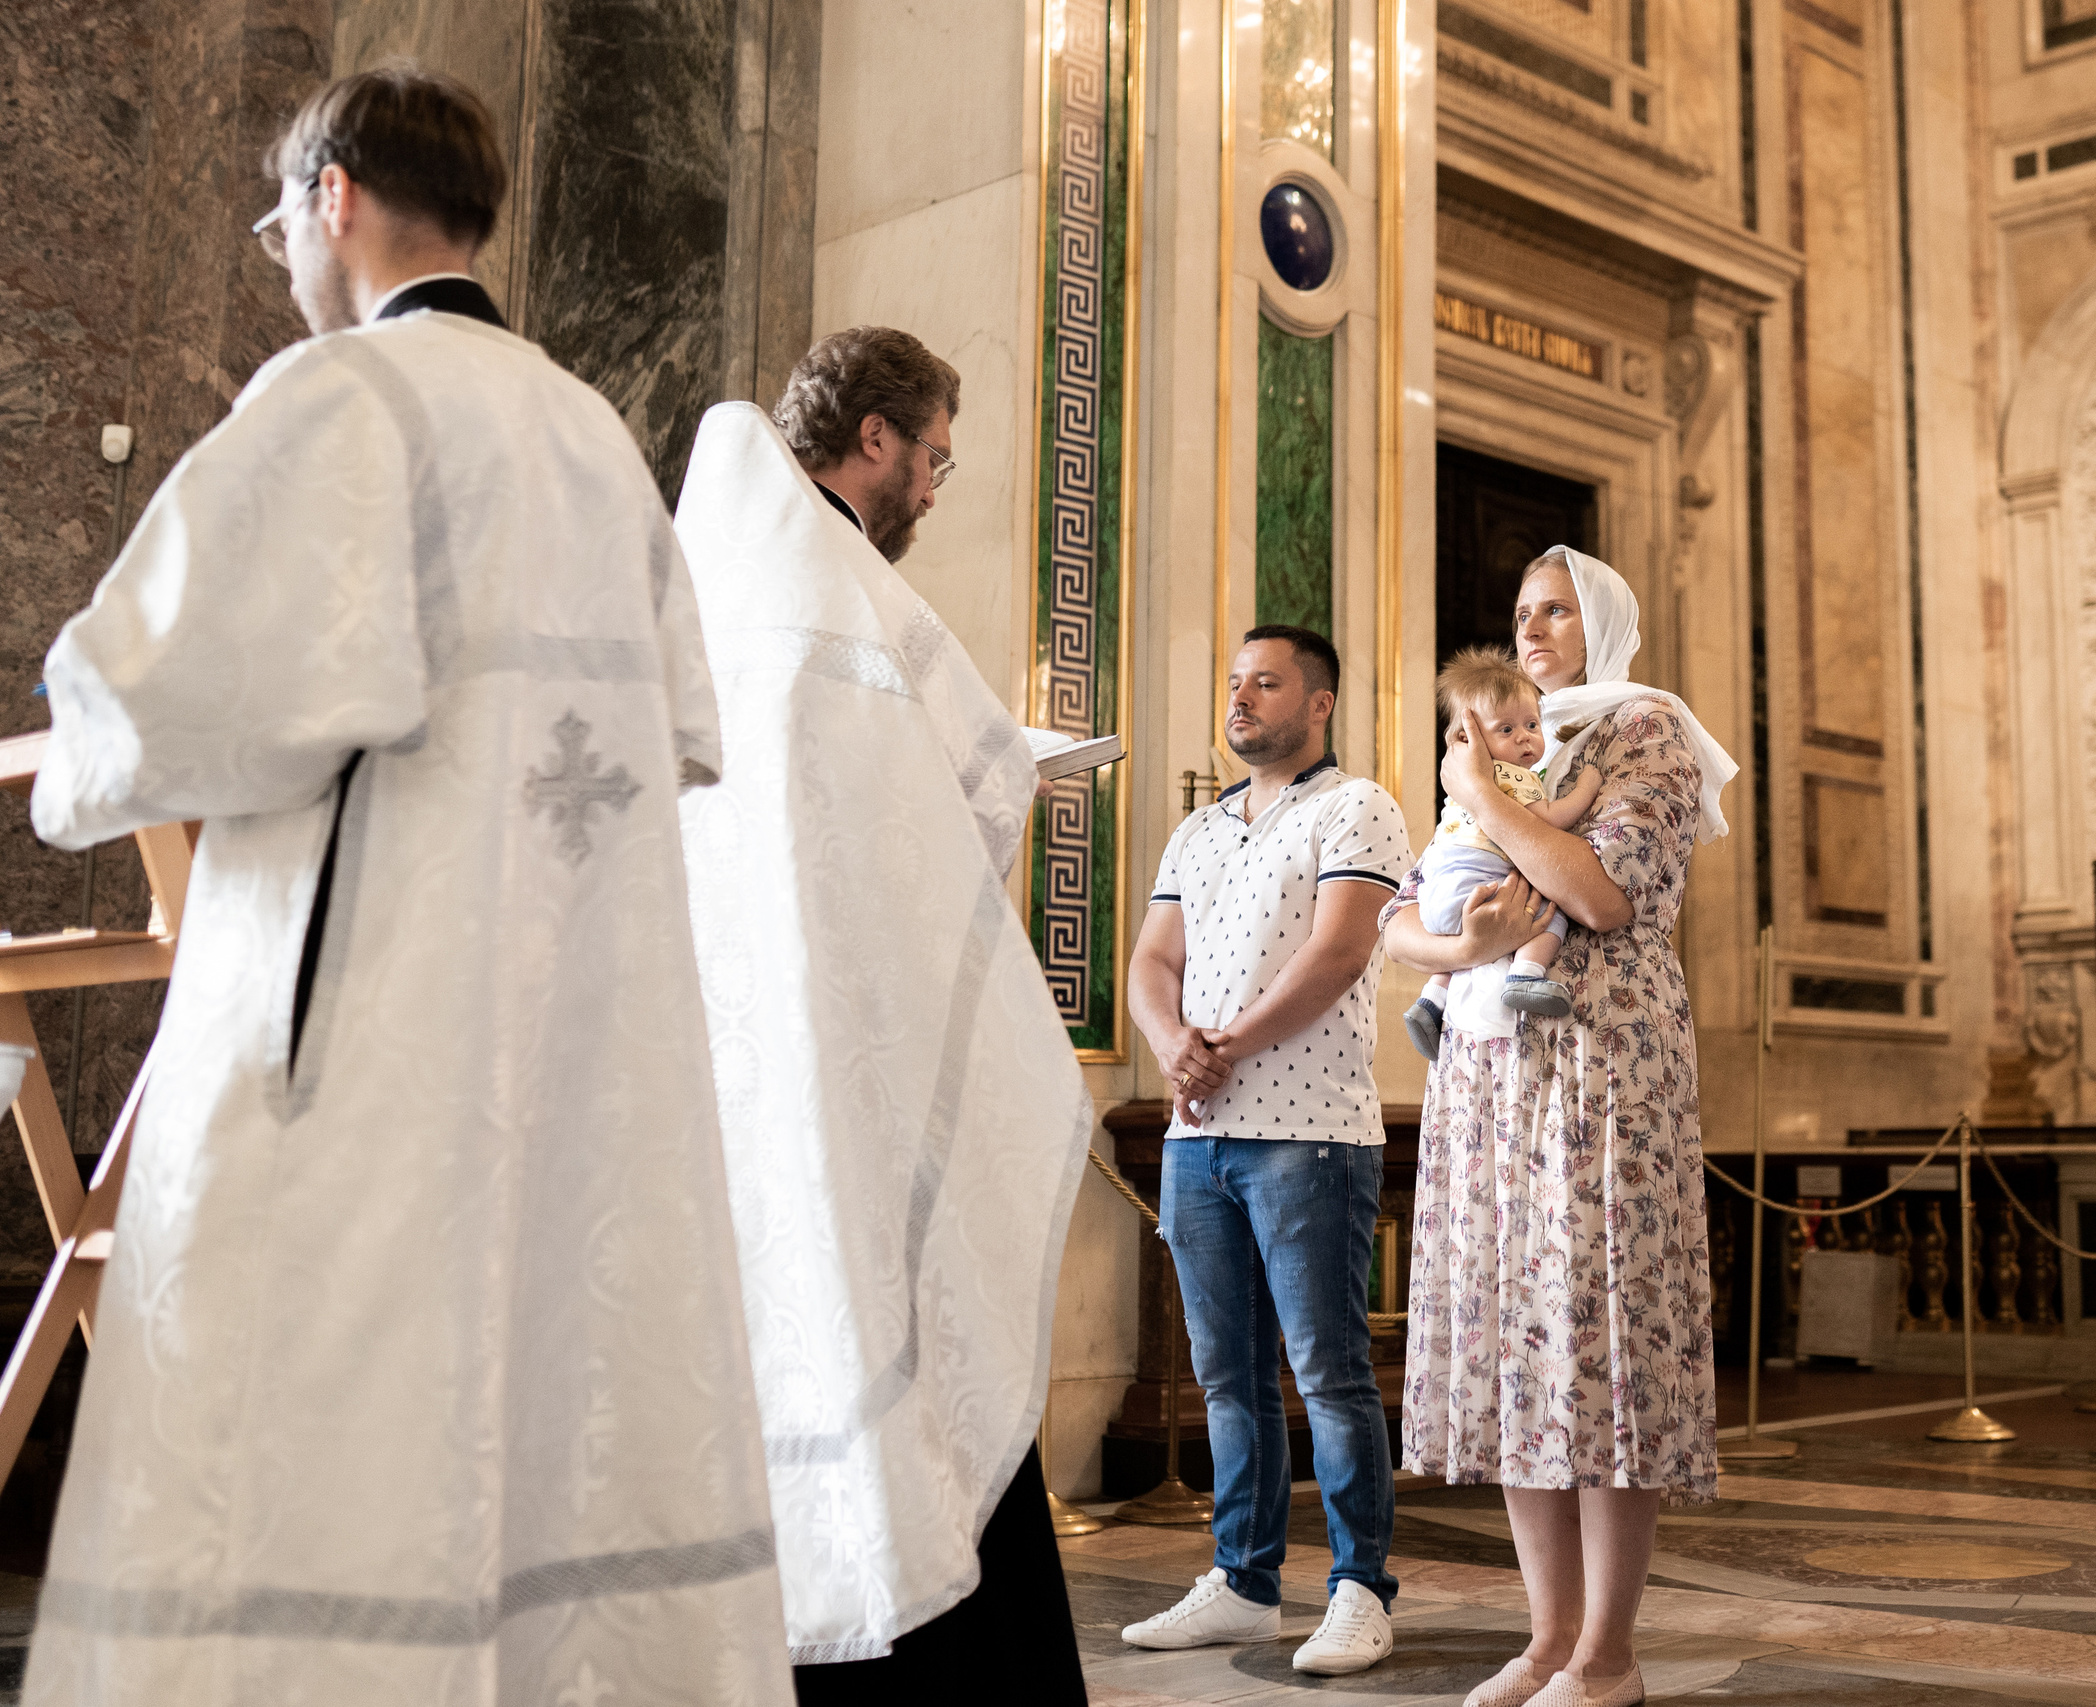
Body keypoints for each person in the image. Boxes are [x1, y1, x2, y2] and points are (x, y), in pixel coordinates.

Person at [22, 69, 792, 1705]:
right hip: (568, 1039)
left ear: (337, 196)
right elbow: (683, 737)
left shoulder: (338, 401)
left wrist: (80, 732)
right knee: (537, 1390)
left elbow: (156, 694)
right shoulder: (592, 431)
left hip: (370, 1044)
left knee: (332, 1406)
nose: (284, 252)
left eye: (280, 215)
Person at [671, 333, 1093, 1699]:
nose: (933, 489)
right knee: (894, 1326)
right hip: (848, 1036)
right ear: (875, 438)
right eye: (936, 459)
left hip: (718, 1047)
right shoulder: (840, 582)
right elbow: (973, 791)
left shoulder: (717, 571)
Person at [1380, 546, 1736, 1707]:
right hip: (1486, 1070)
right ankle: (1544, 1639)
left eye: (1557, 611)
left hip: (1600, 1073)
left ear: (1605, 623)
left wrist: (1482, 797)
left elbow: (1605, 894)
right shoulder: (1498, 730)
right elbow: (1400, 917)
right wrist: (1460, 950)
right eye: (1522, 612)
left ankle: (1608, 1655)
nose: (1532, 630)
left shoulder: (1644, 730)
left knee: (1600, 1347)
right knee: (1521, 1351)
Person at [1121, 625, 1411, 1676]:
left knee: (1329, 1372)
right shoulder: (1198, 829)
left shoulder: (1357, 807)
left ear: (1319, 702)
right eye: (1234, 682)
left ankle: (1358, 1589)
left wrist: (1225, 1045)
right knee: (1225, 1376)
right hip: (1199, 1140)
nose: (1242, 699)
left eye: (1266, 683)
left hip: (1309, 1136)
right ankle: (1243, 1582)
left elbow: (1339, 950)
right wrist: (1170, 1045)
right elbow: (1152, 959)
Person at [1402, 646, 1604, 1057]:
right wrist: (1587, 785)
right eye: (1506, 730)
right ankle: (1527, 976)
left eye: (1532, 724)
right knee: (1550, 908)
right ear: (1470, 738)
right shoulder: (1511, 777)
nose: (1525, 737)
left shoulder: (1462, 777)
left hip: (1438, 895)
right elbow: (1552, 817)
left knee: (1459, 940)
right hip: (1481, 884)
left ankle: (1432, 999)